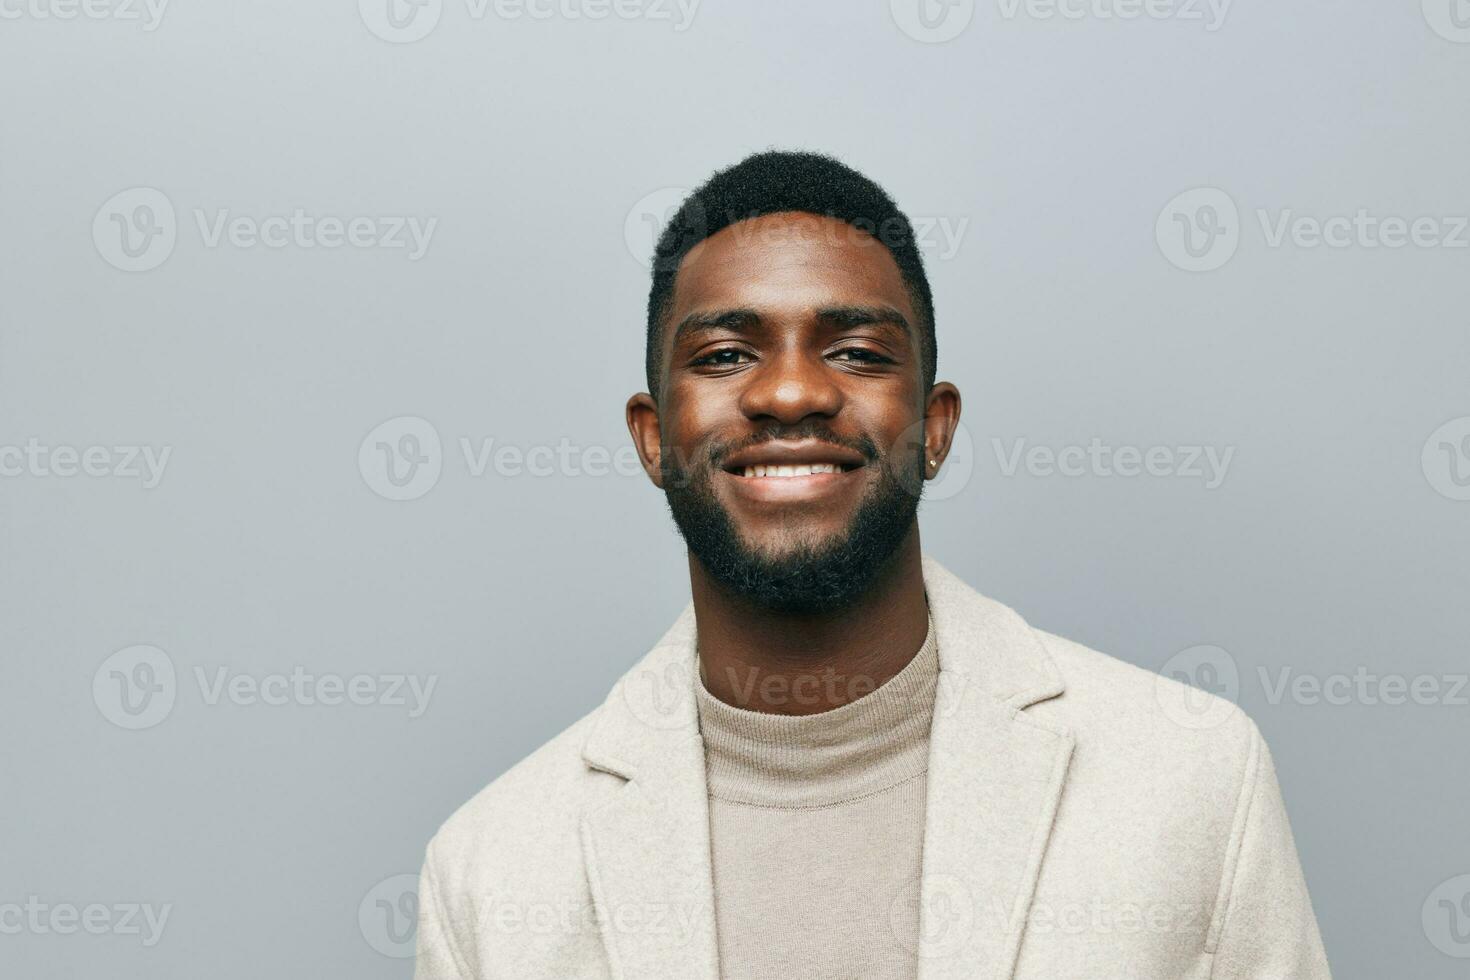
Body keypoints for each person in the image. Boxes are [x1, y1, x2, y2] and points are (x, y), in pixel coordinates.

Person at [412, 151, 1331, 979]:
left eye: (855, 352)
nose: (791, 392)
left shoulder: (1193, 779)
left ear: (934, 428)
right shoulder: (492, 875)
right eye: (727, 355)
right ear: (654, 439)